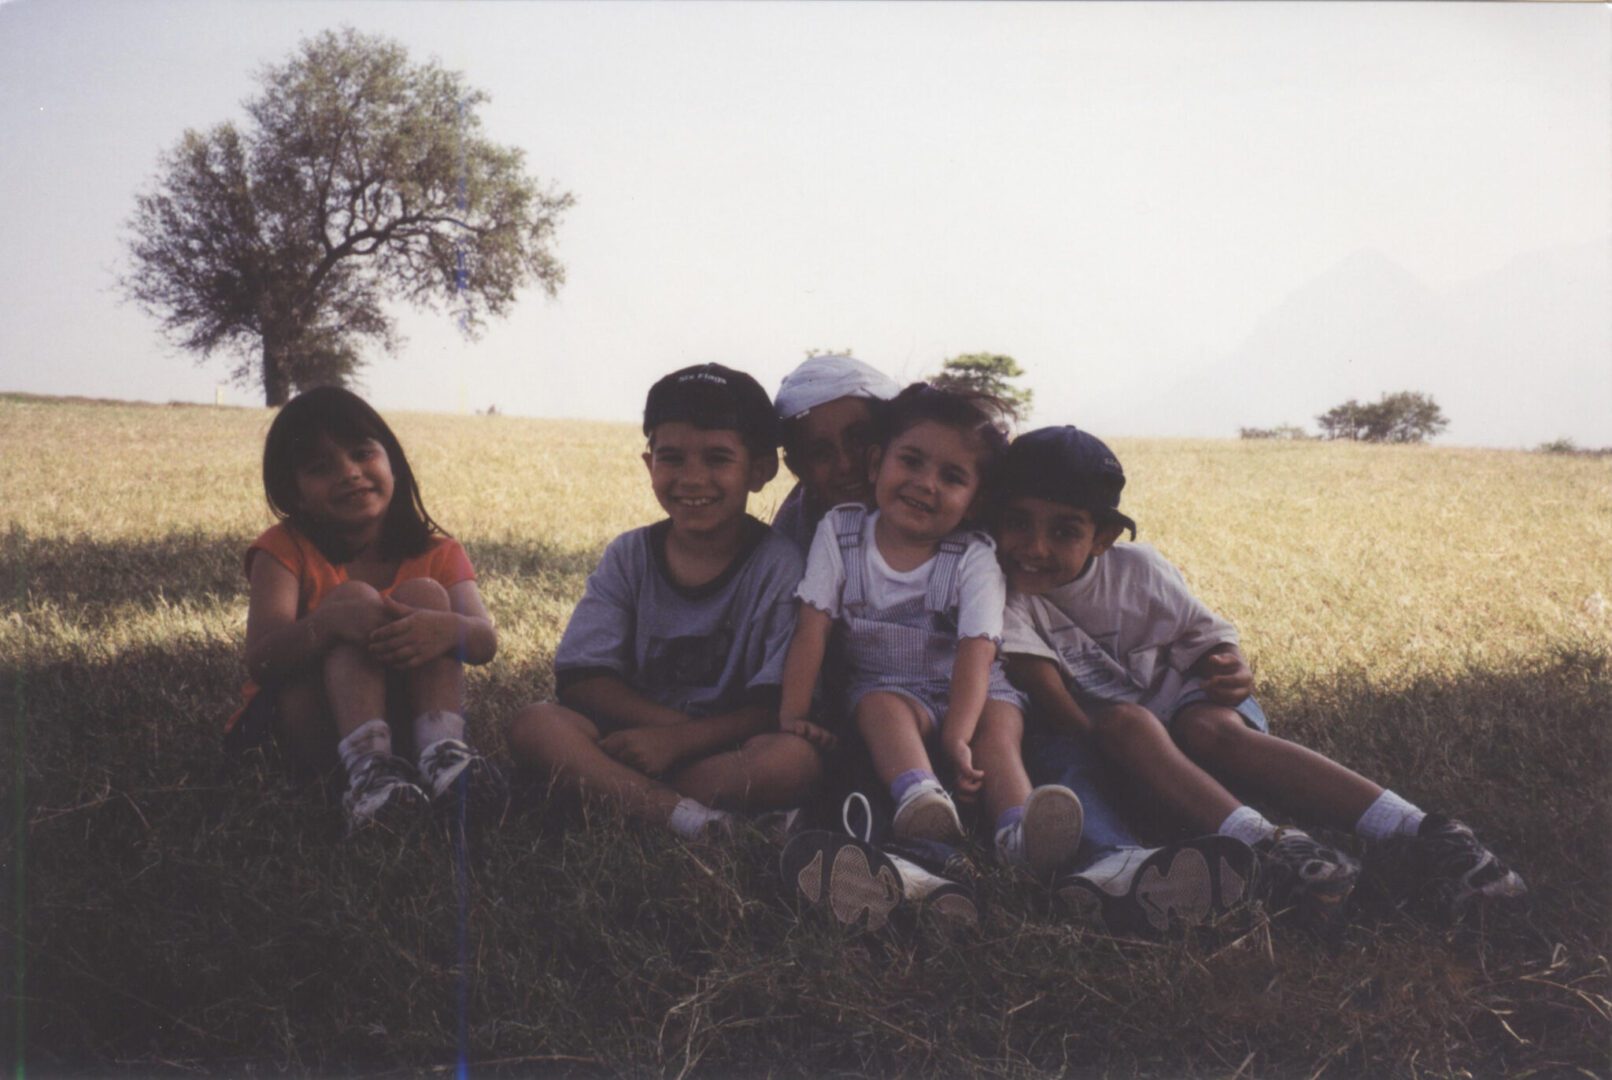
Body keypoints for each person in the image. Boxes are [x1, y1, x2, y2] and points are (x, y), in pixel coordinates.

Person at [995, 425, 1527, 928]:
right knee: (1126, 724)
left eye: (1064, 530)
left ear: (1103, 537)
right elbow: (1047, 688)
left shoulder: (1139, 571)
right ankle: (1270, 846)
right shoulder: (1001, 591)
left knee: (1212, 728)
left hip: (1186, 705)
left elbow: (1210, 636)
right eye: (1017, 522)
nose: (1034, 547)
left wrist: (1231, 669)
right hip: (1112, 732)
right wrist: (1119, 749)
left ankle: (1424, 830)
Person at [777, 383, 1083, 879]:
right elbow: (812, 628)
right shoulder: (841, 531)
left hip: (975, 688)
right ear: (876, 463)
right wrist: (792, 713)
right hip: (889, 685)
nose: (926, 484)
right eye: (912, 461)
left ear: (975, 499)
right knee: (880, 709)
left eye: (952, 476)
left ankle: (1019, 830)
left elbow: (977, 653)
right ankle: (919, 797)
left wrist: (959, 736)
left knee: (997, 735)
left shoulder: (974, 555)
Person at [505, 364, 823, 839]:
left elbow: (774, 704)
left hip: (725, 748)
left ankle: (627, 801)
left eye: (717, 458)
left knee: (794, 760)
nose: (692, 479)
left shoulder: (781, 565)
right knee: (535, 724)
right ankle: (694, 819)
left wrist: (680, 741)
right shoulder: (629, 555)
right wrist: (661, 734)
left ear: (760, 470)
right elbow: (581, 679)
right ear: (648, 462)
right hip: (629, 740)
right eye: (671, 458)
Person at [227, 386, 502, 834]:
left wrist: (446, 629)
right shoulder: (282, 548)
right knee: (351, 599)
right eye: (320, 467)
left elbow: (485, 640)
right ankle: (370, 775)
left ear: (391, 460)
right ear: (293, 492)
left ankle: (443, 758)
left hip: (400, 721)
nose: (349, 473)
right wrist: (329, 623)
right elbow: (262, 660)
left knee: (429, 599)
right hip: (301, 727)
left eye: (361, 454)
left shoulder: (440, 551)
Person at [771, 353, 901, 554]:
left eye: (859, 439)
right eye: (820, 453)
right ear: (797, 468)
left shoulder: (939, 512)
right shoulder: (788, 550)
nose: (845, 464)